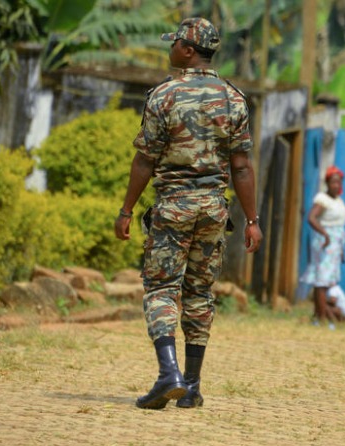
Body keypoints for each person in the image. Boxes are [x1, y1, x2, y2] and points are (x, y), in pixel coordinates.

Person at [114, 17, 263, 410]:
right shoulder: (233, 99)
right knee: (199, 293)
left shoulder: (164, 95)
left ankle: (169, 374)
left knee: (161, 289)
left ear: (187, 50)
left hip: (174, 207)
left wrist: (126, 210)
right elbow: (242, 166)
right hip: (214, 209)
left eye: (174, 43)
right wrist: (252, 221)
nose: (170, 49)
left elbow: (144, 160)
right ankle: (192, 386)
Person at [301, 166, 345, 330]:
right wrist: (325, 235)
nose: (336, 185)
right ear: (327, 183)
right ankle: (321, 318)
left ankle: (317, 315)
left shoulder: (339, 200)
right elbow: (311, 218)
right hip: (325, 244)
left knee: (327, 281)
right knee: (321, 281)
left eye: (339, 182)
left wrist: (341, 249)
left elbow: (339, 226)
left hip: (335, 245)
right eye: (333, 182)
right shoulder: (322, 199)